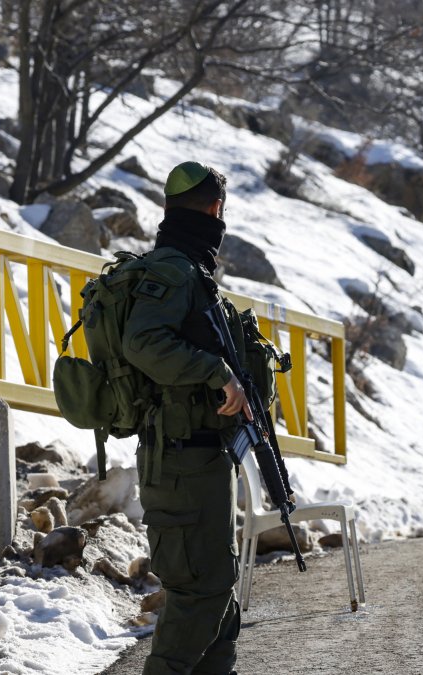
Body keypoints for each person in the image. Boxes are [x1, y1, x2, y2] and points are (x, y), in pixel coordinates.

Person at [122, 161, 252, 675]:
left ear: (168, 209)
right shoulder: (175, 271)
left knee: (218, 594)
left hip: (197, 455)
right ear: (217, 210)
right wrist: (216, 372)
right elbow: (142, 342)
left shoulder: (189, 270)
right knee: (202, 593)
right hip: (181, 460)